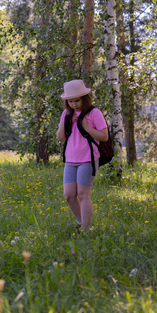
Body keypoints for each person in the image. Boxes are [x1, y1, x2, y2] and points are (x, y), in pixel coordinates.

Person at [56, 79, 108, 232]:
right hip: (71, 159)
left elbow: (104, 136)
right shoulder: (66, 113)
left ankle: (85, 230)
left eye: (76, 100)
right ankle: (80, 223)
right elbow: (60, 137)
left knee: (83, 194)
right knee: (69, 195)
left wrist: (85, 126)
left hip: (88, 159)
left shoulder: (94, 113)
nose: (74, 104)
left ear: (84, 98)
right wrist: (67, 123)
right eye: (70, 101)